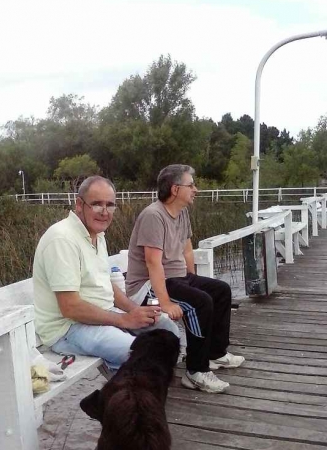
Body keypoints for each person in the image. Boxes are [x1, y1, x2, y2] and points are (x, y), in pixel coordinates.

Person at [33, 176, 180, 372]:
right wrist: (123, 320)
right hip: (68, 328)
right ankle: (128, 397)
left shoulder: (97, 235)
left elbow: (106, 283)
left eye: (110, 205)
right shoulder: (62, 239)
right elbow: (70, 308)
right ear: (79, 204)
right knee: (138, 352)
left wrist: (133, 310)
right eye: (96, 204)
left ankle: (148, 390)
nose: (104, 212)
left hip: (102, 316)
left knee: (167, 328)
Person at [126, 164, 245, 394]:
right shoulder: (153, 215)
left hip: (176, 278)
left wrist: (193, 279)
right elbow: (153, 263)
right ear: (174, 189)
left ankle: (216, 354)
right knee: (200, 303)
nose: (195, 189)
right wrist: (167, 303)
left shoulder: (181, 213)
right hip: (148, 287)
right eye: (190, 185)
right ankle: (195, 372)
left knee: (220, 290)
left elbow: (187, 250)